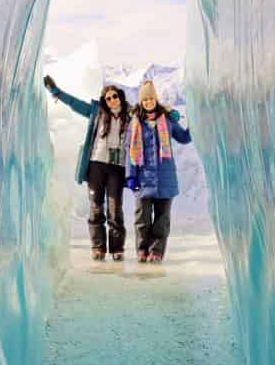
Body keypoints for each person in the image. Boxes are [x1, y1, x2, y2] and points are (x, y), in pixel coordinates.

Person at [43, 74, 133, 261]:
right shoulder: (97, 112)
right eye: (108, 98)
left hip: (117, 167)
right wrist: (56, 91)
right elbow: (75, 103)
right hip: (96, 165)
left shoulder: (131, 115)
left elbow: (152, 112)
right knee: (96, 207)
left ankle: (117, 249)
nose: (111, 100)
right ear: (104, 101)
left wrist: (169, 114)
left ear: (120, 97)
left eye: (114, 96)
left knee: (115, 209)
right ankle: (98, 247)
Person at [125, 80, 191, 263]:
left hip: (165, 178)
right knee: (142, 219)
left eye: (151, 99)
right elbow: (128, 150)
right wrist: (130, 176)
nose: (148, 102)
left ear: (156, 100)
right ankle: (142, 251)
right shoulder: (135, 124)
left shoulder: (167, 121)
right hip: (143, 179)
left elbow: (184, 138)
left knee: (162, 220)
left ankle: (156, 252)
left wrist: (196, 123)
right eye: (144, 100)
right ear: (141, 102)